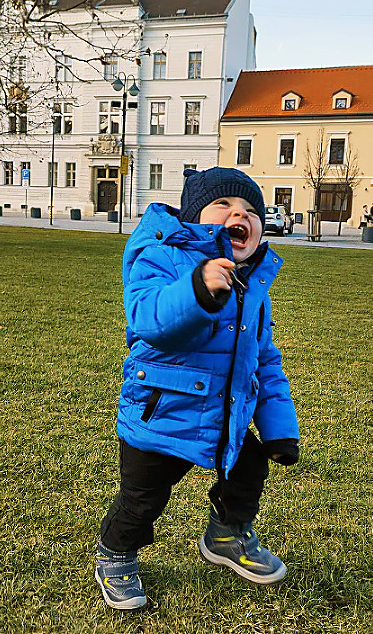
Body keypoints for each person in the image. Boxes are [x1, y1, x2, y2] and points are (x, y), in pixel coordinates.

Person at [95, 167, 300, 611]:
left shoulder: (252, 283)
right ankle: (115, 554)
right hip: (161, 412)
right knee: (142, 499)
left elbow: (262, 359)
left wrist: (280, 428)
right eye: (223, 204)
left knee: (248, 472)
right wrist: (197, 289)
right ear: (194, 216)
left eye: (250, 210)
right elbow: (149, 319)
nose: (238, 214)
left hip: (225, 414)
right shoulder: (162, 255)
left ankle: (226, 535)